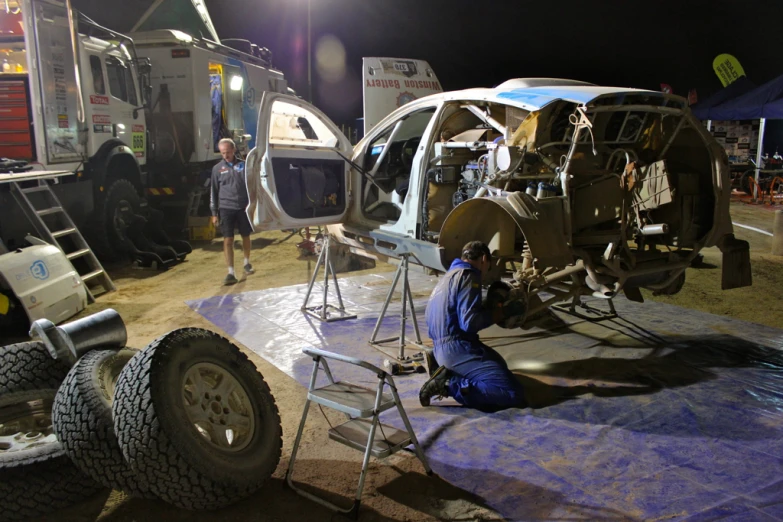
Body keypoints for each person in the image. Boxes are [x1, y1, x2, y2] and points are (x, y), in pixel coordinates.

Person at [419, 241, 527, 412]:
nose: (485, 273)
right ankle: (447, 384)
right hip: (457, 349)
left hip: (441, 346)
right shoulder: (469, 275)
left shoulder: (448, 278)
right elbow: (469, 323)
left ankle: (444, 368)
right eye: (488, 267)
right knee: (511, 392)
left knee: (499, 364)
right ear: (484, 259)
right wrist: (502, 312)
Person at [210, 138, 254, 285]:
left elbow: (252, 186)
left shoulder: (244, 165)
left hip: (243, 207)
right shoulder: (217, 169)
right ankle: (230, 272)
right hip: (226, 208)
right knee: (228, 239)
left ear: (234, 150)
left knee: (245, 235)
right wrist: (214, 213)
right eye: (223, 153)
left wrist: (253, 205)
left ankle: (247, 262)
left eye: (228, 152)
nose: (226, 156)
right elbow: (213, 192)